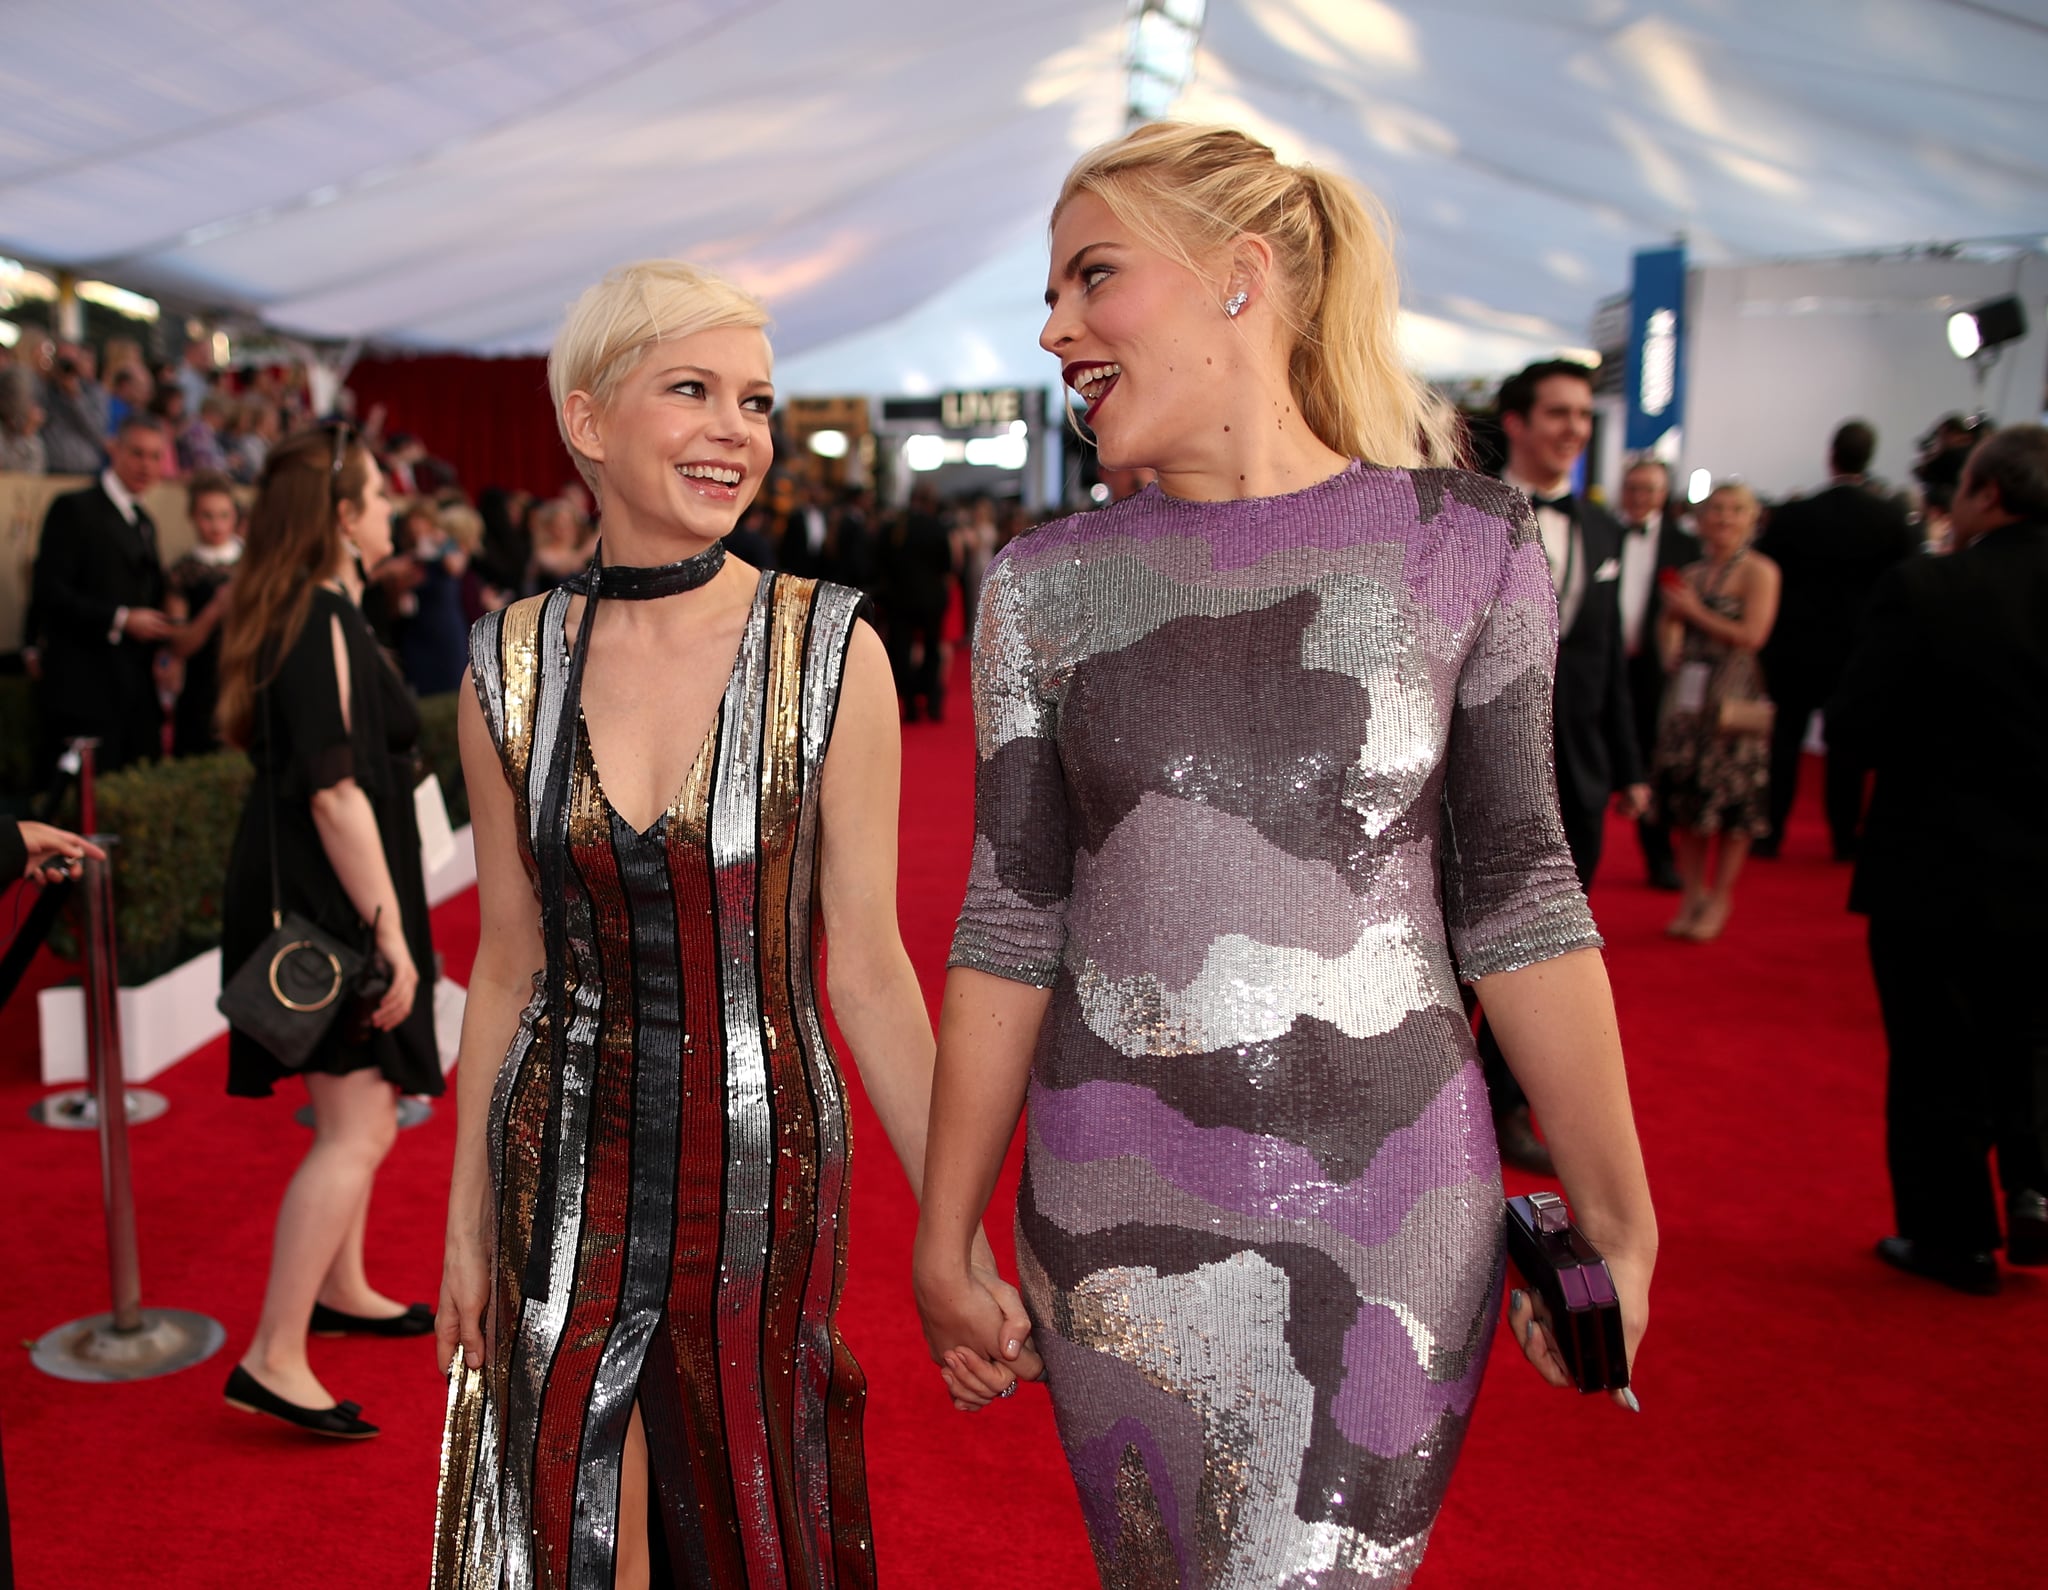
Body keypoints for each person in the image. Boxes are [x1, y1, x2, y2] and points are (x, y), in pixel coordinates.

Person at [914, 123, 1656, 1589]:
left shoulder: (1469, 544)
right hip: (1109, 1215)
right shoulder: (1042, 588)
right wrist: (945, 1233)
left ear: (1239, 277)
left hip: (1395, 1210)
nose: (1054, 329)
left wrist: (1623, 1221)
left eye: (1093, 277)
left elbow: (1520, 894)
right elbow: (1012, 915)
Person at [432, 259, 1029, 1589]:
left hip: (764, 1173)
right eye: (690, 389)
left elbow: (868, 969)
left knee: (747, 1512)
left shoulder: (831, 648)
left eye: (755, 400)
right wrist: (465, 1226)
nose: (735, 431)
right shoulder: (505, 662)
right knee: (575, 1522)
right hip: (559, 1154)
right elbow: (505, 968)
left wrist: (960, 1230)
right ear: (586, 421)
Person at [215, 423, 441, 1440]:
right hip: (332, 897)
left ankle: (342, 1288)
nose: (393, 507)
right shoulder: (320, 620)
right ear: (341, 519)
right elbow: (336, 792)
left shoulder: (316, 611)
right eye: (377, 494)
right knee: (355, 1127)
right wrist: (389, 933)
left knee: (365, 1114)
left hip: (324, 887)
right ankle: (272, 1354)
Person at [1829, 425, 2048, 1296]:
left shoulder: (1930, 586)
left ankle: (1952, 1238)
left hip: (1938, 863)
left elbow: (1854, 727)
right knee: (2035, 1036)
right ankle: (2034, 1184)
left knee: (1937, 1053)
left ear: (1988, 493)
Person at [1480, 359, 1645, 1170]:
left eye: (1584, 415)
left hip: (1572, 769)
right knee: (1459, 937)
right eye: (1558, 413)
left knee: (1543, 949)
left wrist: (1630, 765)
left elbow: (1608, 658)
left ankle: (1508, 1106)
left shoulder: (1606, 531)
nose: (1574, 429)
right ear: (1516, 421)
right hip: (1472, 766)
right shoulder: (1465, 514)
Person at [1754, 420, 1920, 860]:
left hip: (1794, 648)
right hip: (1857, 650)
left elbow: (1767, 576)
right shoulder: (1889, 518)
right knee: (1845, 746)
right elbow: (1906, 583)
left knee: (1785, 743)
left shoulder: (1794, 515)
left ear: (1832, 455)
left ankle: (1770, 832)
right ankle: (1845, 838)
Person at [1649, 483, 1781, 941]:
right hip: (1691, 696)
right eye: (1717, 510)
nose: (1725, 518)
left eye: (1736, 510)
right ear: (1701, 520)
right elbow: (1669, 630)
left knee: (1733, 802)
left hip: (1735, 696)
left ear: (1752, 519)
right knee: (1690, 799)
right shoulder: (1692, 572)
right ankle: (1692, 895)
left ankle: (1720, 896)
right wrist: (1671, 639)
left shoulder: (1760, 572)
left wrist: (1694, 612)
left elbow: (1752, 635)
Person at [28, 414, 173, 772]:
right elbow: (50, 590)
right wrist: (121, 619)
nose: (147, 465)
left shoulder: (144, 521)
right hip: (85, 688)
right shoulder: (74, 508)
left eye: (156, 457)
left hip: (133, 689)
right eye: (138, 453)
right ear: (114, 450)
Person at [1616, 457, 1697, 890]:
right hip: (1600, 669)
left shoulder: (1685, 547)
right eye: (1632, 488)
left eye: (1648, 489)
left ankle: (1660, 857)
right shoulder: (1601, 534)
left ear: (1664, 494)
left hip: (1655, 670)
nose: (1639, 497)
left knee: (1652, 764)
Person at [162, 470, 242, 757]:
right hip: (201, 690)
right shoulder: (183, 572)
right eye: (207, 516)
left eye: (224, 515)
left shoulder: (254, 565)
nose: (216, 525)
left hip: (248, 687)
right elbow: (179, 644)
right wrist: (215, 610)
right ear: (192, 517)